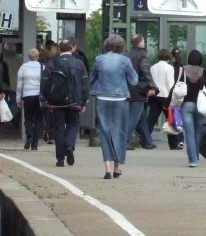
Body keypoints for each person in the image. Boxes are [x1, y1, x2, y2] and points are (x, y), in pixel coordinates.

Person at [89, 34, 138, 179]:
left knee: (105, 131)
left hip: (102, 98)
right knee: (119, 132)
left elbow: (92, 78)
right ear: (121, 46)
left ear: (106, 45)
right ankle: (117, 167)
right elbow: (134, 80)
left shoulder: (99, 59)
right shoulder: (125, 60)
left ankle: (107, 169)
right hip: (120, 98)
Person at [40, 38, 89, 167]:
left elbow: (44, 83)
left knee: (58, 128)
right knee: (73, 124)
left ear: (59, 49)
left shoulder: (51, 63)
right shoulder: (79, 63)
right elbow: (85, 84)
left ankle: (60, 159)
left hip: (56, 102)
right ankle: (69, 145)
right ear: (72, 49)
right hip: (74, 101)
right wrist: (83, 102)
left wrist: (46, 99)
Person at [125, 34, 157, 150]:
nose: (144, 43)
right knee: (134, 116)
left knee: (141, 116)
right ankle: (124, 141)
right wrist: (152, 87)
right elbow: (145, 71)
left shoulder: (126, 55)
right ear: (139, 43)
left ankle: (147, 142)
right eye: (143, 41)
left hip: (127, 88)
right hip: (139, 90)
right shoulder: (142, 55)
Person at [146, 49, 182, 150]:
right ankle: (173, 144)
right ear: (168, 57)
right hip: (165, 96)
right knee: (170, 120)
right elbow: (170, 85)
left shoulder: (153, 67)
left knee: (151, 120)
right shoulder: (169, 68)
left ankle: (146, 140)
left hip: (154, 96)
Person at [180, 49, 206, 167]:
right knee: (198, 133)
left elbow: (175, 87)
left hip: (186, 105)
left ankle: (193, 160)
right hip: (201, 106)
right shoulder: (204, 72)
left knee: (189, 133)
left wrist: (167, 103)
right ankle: (196, 157)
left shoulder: (182, 70)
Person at [16, 47, 42, 150]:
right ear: (38, 57)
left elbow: (19, 85)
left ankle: (29, 136)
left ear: (28, 57)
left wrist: (18, 98)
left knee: (28, 118)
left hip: (27, 95)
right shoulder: (41, 67)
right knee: (38, 119)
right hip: (39, 96)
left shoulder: (23, 67)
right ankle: (35, 144)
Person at [0, 42, 23, 130]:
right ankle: (10, 119)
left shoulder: (3, 58)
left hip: (4, 84)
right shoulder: (19, 58)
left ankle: (5, 119)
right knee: (16, 104)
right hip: (15, 85)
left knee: (3, 103)